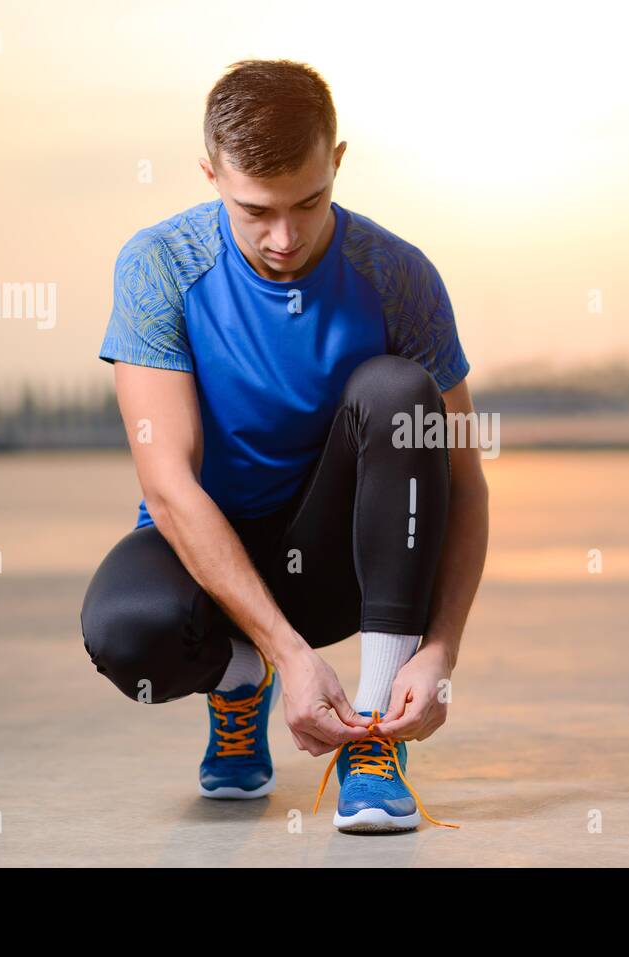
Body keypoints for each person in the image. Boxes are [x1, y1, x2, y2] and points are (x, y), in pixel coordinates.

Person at [79, 59, 489, 833]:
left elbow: (464, 484)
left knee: (400, 391)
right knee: (125, 628)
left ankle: (374, 738)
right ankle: (240, 680)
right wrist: (286, 656)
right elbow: (169, 484)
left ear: (337, 162)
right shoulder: (158, 266)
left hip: (339, 564)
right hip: (212, 554)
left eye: (310, 201)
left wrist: (440, 652)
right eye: (255, 210)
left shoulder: (399, 276)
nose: (285, 237)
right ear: (211, 173)